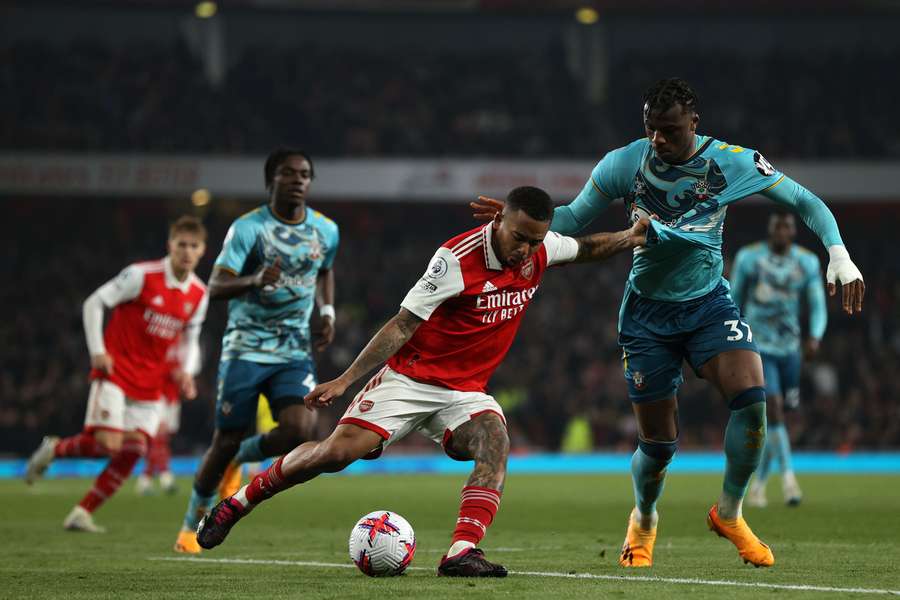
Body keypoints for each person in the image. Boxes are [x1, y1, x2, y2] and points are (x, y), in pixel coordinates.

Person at [471, 78, 865, 568]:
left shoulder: (732, 161)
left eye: (670, 131)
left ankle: (730, 512)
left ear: (694, 124)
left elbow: (806, 201)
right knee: (658, 446)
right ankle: (644, 515)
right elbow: (571, 218)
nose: (658, 139)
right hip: (647, 315)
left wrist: (839, 255)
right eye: (651, 128)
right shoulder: (623, 163)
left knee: (753, 403)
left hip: (708, 304)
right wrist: (515, 224)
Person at [195, 186, 649, 577]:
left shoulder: (540, 249)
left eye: (534, 241)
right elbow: (401, 325)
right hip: (409, 380)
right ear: (498, 220)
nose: (525, 251)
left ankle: (462, 551)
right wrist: (346, 381)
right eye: (519, 238)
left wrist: (630, 237)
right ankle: (238, 503)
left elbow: (587, 247)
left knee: (495, 440)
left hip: (465, 391)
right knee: (333, 455)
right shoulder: (455, 259)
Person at [175, 148, 339, 553]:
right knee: (225, 440)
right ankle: (191, 522)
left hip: (293, 349)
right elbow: (214, 286)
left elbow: (325, 269)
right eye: (289, 173)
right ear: (272, 181)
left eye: (304, 174)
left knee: (302, 430)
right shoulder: (248, 229)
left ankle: (242, 456)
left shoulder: (326, 229)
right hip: (245, 349)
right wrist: (254, 280)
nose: (298, 180)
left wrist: (328, 310)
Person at [24, 216, 208, 532]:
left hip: (152, 383)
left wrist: (187, 371)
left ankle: (81, 513)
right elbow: (94, 303)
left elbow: (191, 338)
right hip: (116, 371)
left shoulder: (199, 293)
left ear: (203, 250)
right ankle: (54, 449)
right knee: (109, 445)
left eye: (193, 246)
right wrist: (98, 351)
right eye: (181, 245)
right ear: (170, 246)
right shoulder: (141, 275)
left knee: (133, 450)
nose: (187, 252)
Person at [731, 211, 827, 507]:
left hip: (790, 350)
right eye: (777, 226)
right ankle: (789, 482)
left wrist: (815, 336)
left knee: (779, 420)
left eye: (787, 226)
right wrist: (733, 337)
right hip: (759, 347)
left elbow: (817, 303)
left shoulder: (807, 262)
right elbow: (734, 298)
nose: (782, 231)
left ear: (794, 231)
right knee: (774, 410)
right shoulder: (749, 258)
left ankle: (758, 485)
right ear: (770, 230)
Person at [136, 350, 195, 496]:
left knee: (160, 442)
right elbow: (169, 372)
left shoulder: (180, 348)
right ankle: (166, 478)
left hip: (172, 400)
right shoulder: (165, 347)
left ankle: (145, 480)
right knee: (158, 441)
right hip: (159, 399)